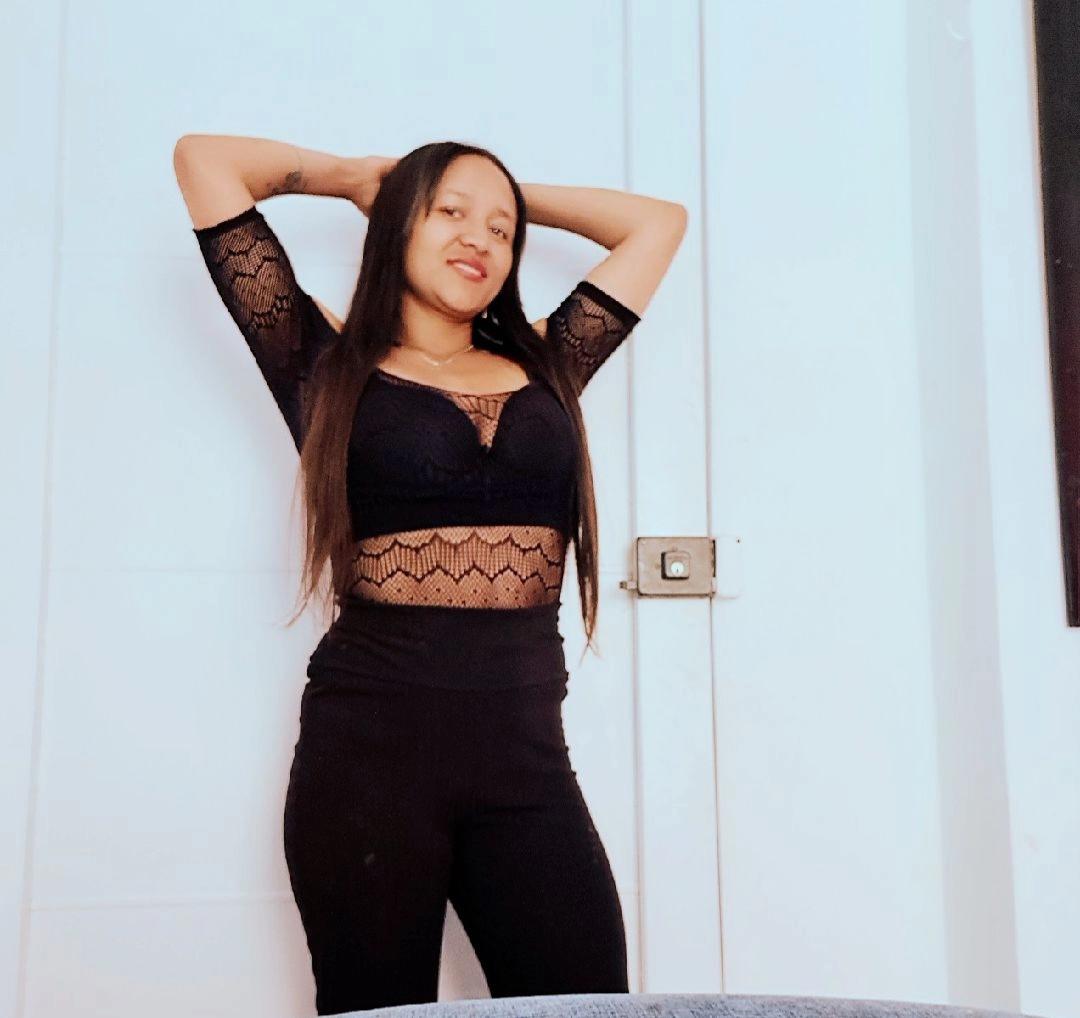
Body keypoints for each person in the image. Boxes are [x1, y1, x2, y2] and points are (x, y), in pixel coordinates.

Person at [173, 134, 687, 1015]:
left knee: (590, 1004)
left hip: (528, 767)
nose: (479, 238)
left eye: (501, 230)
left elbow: (657, 224)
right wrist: (361, 180)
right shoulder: (321, 364)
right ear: (399, 222)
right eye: (449, 212)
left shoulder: (549, 362)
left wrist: (501, 194)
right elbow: (202, 162)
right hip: (365, 762)